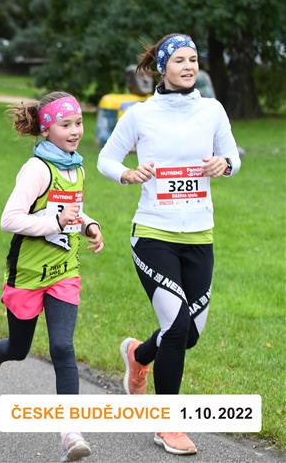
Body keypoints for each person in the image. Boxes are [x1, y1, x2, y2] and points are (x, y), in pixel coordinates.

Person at [97, 33, 241, 456]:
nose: (189, 66)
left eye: (193, 59)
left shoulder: (212, 110)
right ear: (163, 67)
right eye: (179, 60)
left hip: (199, 235)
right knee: (176, 329)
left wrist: (224, 164)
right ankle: (167, 424)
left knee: (189, 334)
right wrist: (127, 174)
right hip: (153, 234)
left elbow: (233, 158)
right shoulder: (141, 115)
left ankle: (139, 356)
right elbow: (107, 158)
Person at [0, 93, 103, 462]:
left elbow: (72, 210)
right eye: (65, 124)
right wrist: (55, 222)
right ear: (46, 130)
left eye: (78, 123)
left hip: (64, 270)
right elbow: (9, 219)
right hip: (27, 273)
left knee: (63, 347)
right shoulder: (37, 169)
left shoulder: (76, 167)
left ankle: (71, 431)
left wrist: (88, 224)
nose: (75, 131)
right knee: (19, 348)